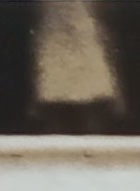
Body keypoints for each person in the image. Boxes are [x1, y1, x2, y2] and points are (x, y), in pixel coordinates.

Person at [28, 0, 126, 134]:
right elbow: (38, 28)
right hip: (55, 54)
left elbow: (104, 26)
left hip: (88, 52)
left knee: (91, 122)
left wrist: (118, 91)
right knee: (56, 124)